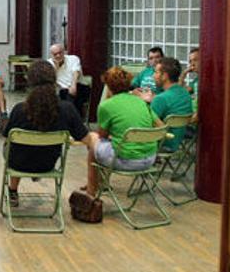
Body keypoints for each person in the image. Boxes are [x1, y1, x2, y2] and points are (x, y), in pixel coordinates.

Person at [2, 61, 98, 206]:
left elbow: (6, 134)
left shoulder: (20, 109)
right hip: (47, 163)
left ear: (30, 81)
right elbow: (85, 138)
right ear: (54, 80)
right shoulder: (67, 109)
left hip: (18, 163)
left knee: (11, 146)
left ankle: (13, 190)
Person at [86, 66, 164, 196]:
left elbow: (102, 136)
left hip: (126, 161)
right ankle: (99, 183)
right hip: (150, 159)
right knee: (108, 144)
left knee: (92, 138)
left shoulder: (106, 106)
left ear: (108, 86)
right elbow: (160, 126)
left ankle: (91, 190)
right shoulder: (141, 102)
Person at [149, 57, 194, 152]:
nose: (153, 76)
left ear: (164, 76)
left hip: (161, 144)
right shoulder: (185, 93)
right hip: (176, 142)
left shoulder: (161, 98)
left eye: (156, 72)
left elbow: (146, 125)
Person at [48, 43, 90, 120]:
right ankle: (74, 120)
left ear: (64, 52)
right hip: (62, 90)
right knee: (65, 95)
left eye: (60, 53)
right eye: (55, 54)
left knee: (71, 95)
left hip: (78, 86)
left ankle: (72, 120)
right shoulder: (49, 63)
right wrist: (56, 67)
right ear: (51, 55)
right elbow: (50, 79)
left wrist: (73, 85)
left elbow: (76, 72)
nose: (58, 56)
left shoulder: (73, 59)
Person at [180, 47, 199, 122]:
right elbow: (181, 91)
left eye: (195, 60)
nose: (192, 64)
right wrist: (184, 74)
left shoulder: (207, 79)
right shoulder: (196, 80)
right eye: (190, 61)